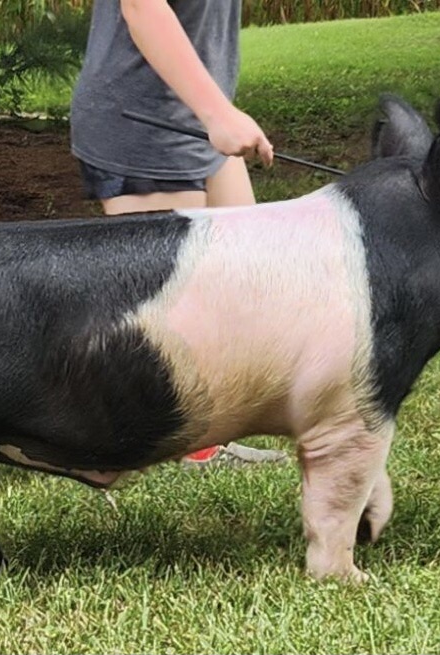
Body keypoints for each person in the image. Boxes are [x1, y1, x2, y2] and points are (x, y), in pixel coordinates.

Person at [69, 0, 286, 466]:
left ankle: (204, 439)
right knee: (156, 327)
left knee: (246, 291)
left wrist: (215, 110)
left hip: (193, 123)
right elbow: (142, 7)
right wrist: (216, 114)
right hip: (143, 124)